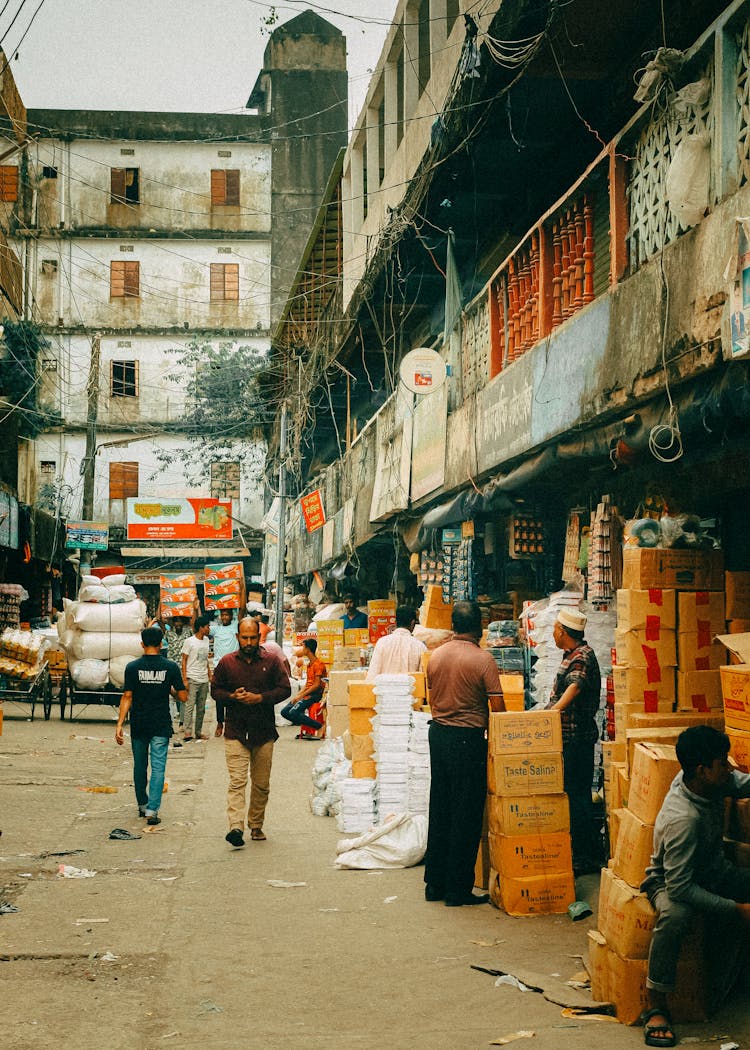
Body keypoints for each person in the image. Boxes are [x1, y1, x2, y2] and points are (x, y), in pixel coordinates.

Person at [639, 726, 750, 1048]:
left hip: (714, 870)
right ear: (702, 770)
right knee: (675, 916)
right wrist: (737, 910)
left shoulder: (709, 781)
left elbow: (742, 784)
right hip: (670, 881)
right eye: (722, 763)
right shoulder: (682, 819)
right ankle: (656, 1005)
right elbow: (680, 888)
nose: (730, 769)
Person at [424, 600, 503, 906]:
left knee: (440, 807)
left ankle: (435, 884)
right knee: (466, 813)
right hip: (468, 739)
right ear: (479, 627)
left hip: (439, 735)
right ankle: (457, 889)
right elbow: (497, 709)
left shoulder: (436, 656)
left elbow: (431, 696)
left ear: (454, 626)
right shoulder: (483, 660)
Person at [211, 616, 291, 847]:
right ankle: (235, 827)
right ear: (237, 637)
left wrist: (260, 698)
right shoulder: (226, 663)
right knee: (237, 782)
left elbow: (284, 689)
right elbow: (215, 690)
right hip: (235, 731)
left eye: (252, 637)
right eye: (244, 637)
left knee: (261, 784)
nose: (248, 642)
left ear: (259, 637)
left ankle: (256, 824)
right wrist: (231, 697)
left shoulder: (272, 661)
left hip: (263, 732)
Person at [545, 607, 601, 876]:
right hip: (569, 738)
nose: (553, 633)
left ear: (562, 632)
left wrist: (554, 711)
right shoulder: (572, 655)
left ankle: (583, 857)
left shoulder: (582, 656)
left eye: (555, 628)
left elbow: (575, 686)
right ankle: (579, 852)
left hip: (576, 740)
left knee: (577, 797)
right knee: (573, 795)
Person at [115, 625, 187, 825]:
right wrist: (171, 690)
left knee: (140, 766)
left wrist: (119, 724)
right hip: (161, 723)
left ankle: (142, 804)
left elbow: (127, 696)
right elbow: (183, 696)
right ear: (161, 643)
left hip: (139, 723)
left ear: (142, 644)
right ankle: (152, 811)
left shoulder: (132, 667)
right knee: (158, 767)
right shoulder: (170, 667)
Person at [280, 638, 327, 736]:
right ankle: (308, 728)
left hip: (315, 694)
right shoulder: (309, 664)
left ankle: (319, 726)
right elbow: (307, 683)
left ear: (308, 649)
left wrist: (301, 696)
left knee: (293, 713)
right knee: (284, 712)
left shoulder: (318, 665)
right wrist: (298, 695)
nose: (302, 649)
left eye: (303, 647)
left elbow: (317, 685)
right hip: (307, 693)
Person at [366, 604, 426, 679]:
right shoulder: (420, 646)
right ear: (412, 623)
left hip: (384, 690)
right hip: (411, 690)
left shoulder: (382, 643)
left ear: (395, 622)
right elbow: (423, 678)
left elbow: (372, 676)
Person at [181, 615, 212, 742]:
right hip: (192, 677)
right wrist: (185, 679)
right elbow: (184, 660)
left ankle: (198, 732)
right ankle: (188, 732)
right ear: (201, 628)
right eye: (207, 626)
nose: (209, 628)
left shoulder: (206, 641)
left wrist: (209, 674)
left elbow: (205, 659)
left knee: (201, 707)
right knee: (189, 706)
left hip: (203, 678)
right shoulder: (189, 641)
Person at [210, 609, 239, 738]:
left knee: (235, 695)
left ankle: (232, 724)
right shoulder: (216, 629)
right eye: (223, 615)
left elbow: (242, 609)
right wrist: (195, 608)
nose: (224, 617)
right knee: (220, 697)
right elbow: (198, 626)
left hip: (234, 666)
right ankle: (220, 723)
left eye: (227, 614)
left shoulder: (235, 626)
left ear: (232, 616)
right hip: (219, 667)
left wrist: (242, 589)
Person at [161, 615, 191, 729]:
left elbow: (194, 622)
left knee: (183, 694)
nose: (178, 624)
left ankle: (182, 722)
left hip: (183, 668)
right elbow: (160, 620)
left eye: (180, 622)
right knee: (170, 697)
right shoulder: (168, 633)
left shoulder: (188, 632)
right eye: (176, 622)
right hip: (171, 668)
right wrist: (162, 600)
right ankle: (171, 724)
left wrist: (195, 607)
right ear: (173, 623)